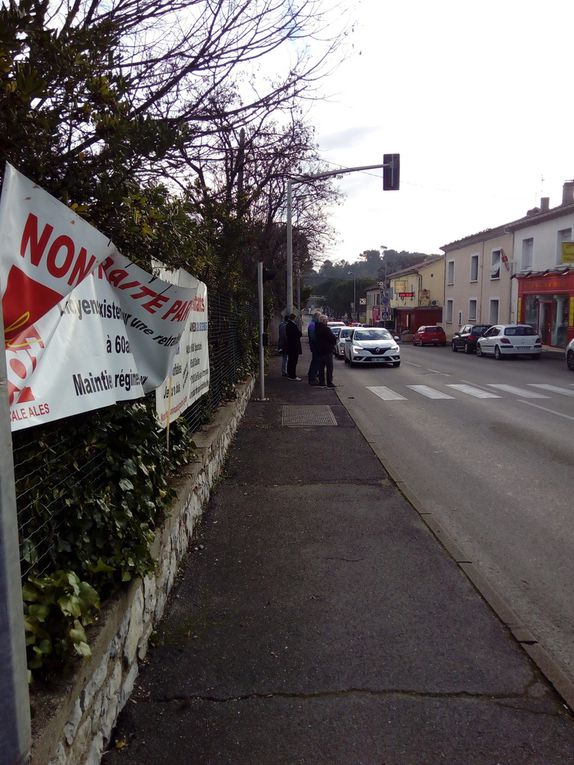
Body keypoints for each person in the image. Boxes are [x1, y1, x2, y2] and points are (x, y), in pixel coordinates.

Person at [315, 314, 337, 388]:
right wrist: (333, 341)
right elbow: (332, 338)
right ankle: (329, 382)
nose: (327, 321)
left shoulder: (317, 328)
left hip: (319, 350)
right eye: (326, 320)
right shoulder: (326, 329)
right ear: (324, 321)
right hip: (327, 350)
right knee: (329, 367)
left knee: (321, 367)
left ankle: (321, 382)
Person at [285, 313, 303, 380]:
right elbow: (299, 334)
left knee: (290, 361)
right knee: (294, 361)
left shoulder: (287, 325)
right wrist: (299, 333)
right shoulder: (293, 325)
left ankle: (290, 374)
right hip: (294, 346)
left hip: (290, 345)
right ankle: (293, 375)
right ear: (294, 318)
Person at [307, 310, 322, 385]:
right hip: (315, 346)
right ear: (316, 317)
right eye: (319, 316)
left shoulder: (312, 324)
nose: (320, 318)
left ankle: (311, 374)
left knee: (314, 361)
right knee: (316, 362)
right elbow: (313, 337)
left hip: (314, 346)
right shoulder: (313, 325)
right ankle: (312, 378)